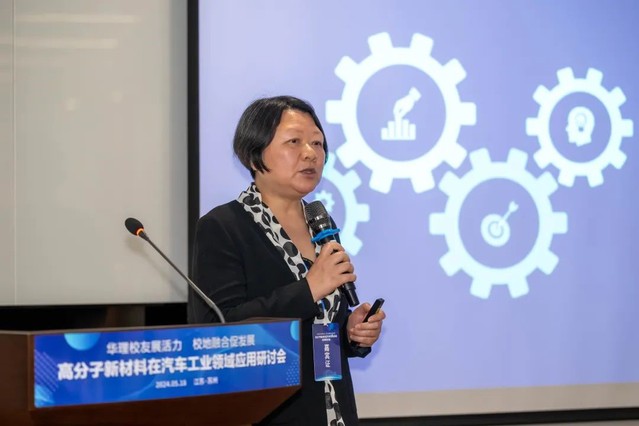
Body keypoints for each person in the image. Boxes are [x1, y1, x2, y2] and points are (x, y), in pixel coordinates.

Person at [188, 95, 385, 425]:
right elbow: (220, 329)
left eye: (317, 143)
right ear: (255, 153)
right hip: (270, 413)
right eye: (294, 142)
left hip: (333, 412)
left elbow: (314, 329)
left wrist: (350, 333)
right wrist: (309, 289)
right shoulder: (223, 227)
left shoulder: (320, 223)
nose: (311, 153)